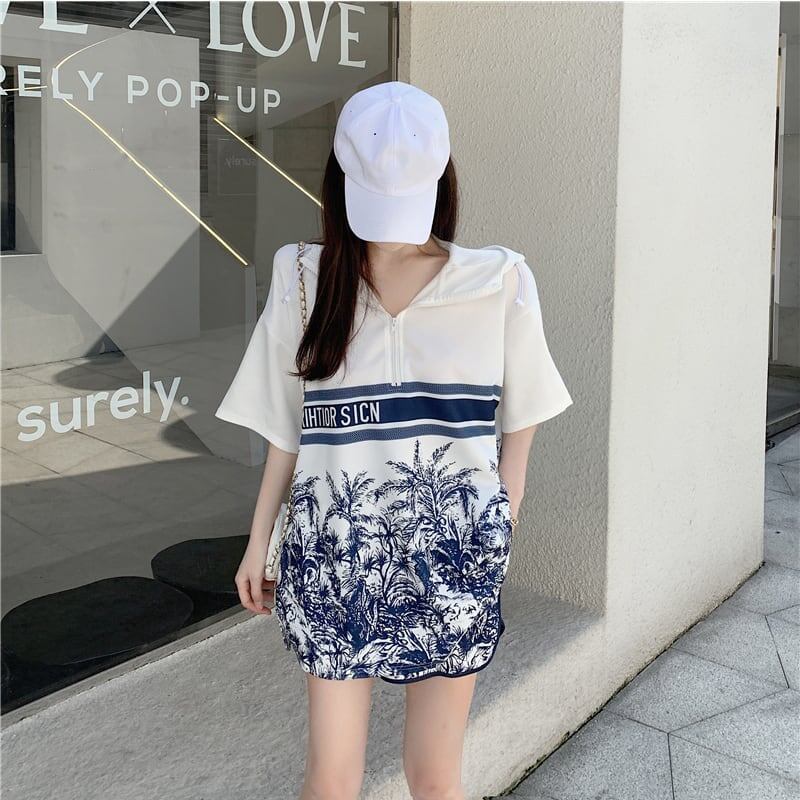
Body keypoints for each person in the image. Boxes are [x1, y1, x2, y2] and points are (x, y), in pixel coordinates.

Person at [215, 80, 573, 800]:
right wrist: (261, 540)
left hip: (454, 553)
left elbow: (523, 417)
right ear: (340, 181)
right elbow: (290, 428)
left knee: (435, 777)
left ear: (440, 179)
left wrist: (502, 516)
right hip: (332, 552)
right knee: (332, 778)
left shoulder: (499, 279)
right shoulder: (303, 276)